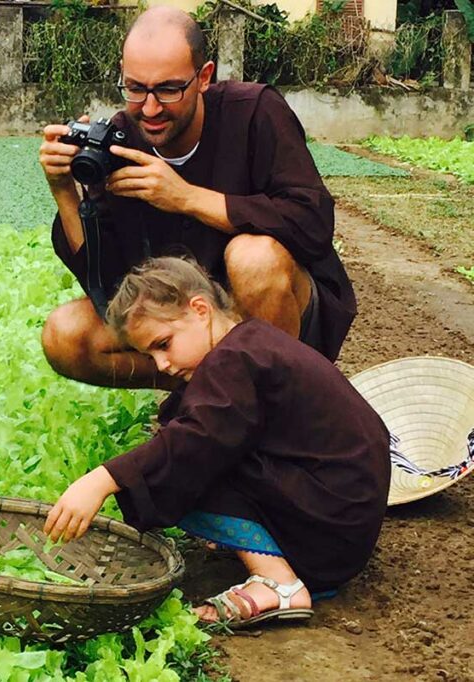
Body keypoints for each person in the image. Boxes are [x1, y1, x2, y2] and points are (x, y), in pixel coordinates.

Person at [44, 257, 389, 628]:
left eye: (163, 344)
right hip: (344, 522)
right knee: (181, 444)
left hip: (331, 528)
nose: (160, 365)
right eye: (150, 354)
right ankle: (271, 552)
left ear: (200, 309)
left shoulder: (235, 360)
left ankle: (279, 584)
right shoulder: (250, 343)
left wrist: (103, 479)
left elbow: (196, 441)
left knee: (187, 462)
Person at [38, 6, 356, 391]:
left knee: (253, 259)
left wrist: (185, 197)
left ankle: (278, 411)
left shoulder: (254, 113)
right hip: (183, 321)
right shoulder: (122, 142)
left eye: (169, 89)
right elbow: (106, 288)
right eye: (136, 89)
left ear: (204, 77)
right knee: (66, 334)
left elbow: (312, 222)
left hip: (271, 313)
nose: (151, 109)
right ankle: (201, 398)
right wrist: (63, 190)